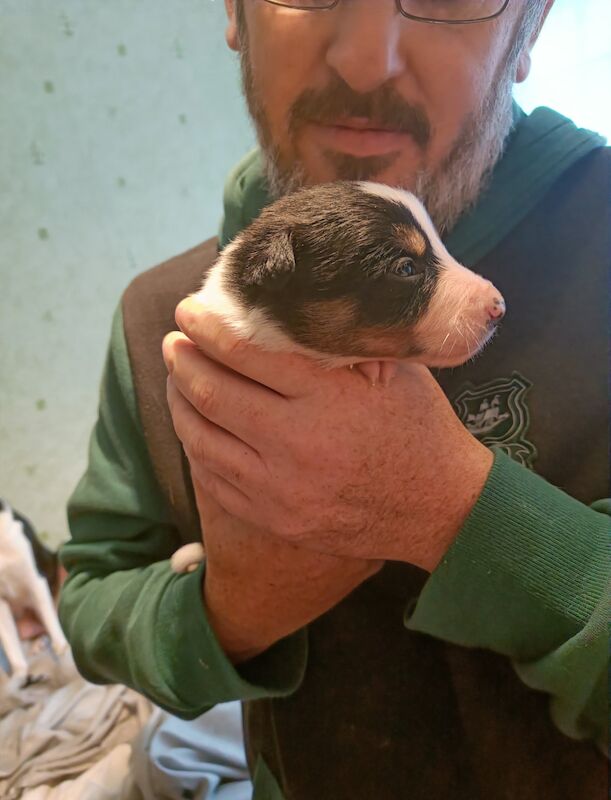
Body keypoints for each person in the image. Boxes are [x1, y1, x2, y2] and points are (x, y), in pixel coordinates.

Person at [58, 1, 610, 798]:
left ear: (528, 29)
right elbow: (94, 604)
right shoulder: (161, 317)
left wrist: (460, 515)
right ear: (234, 10)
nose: (364, 59)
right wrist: (230, 609)